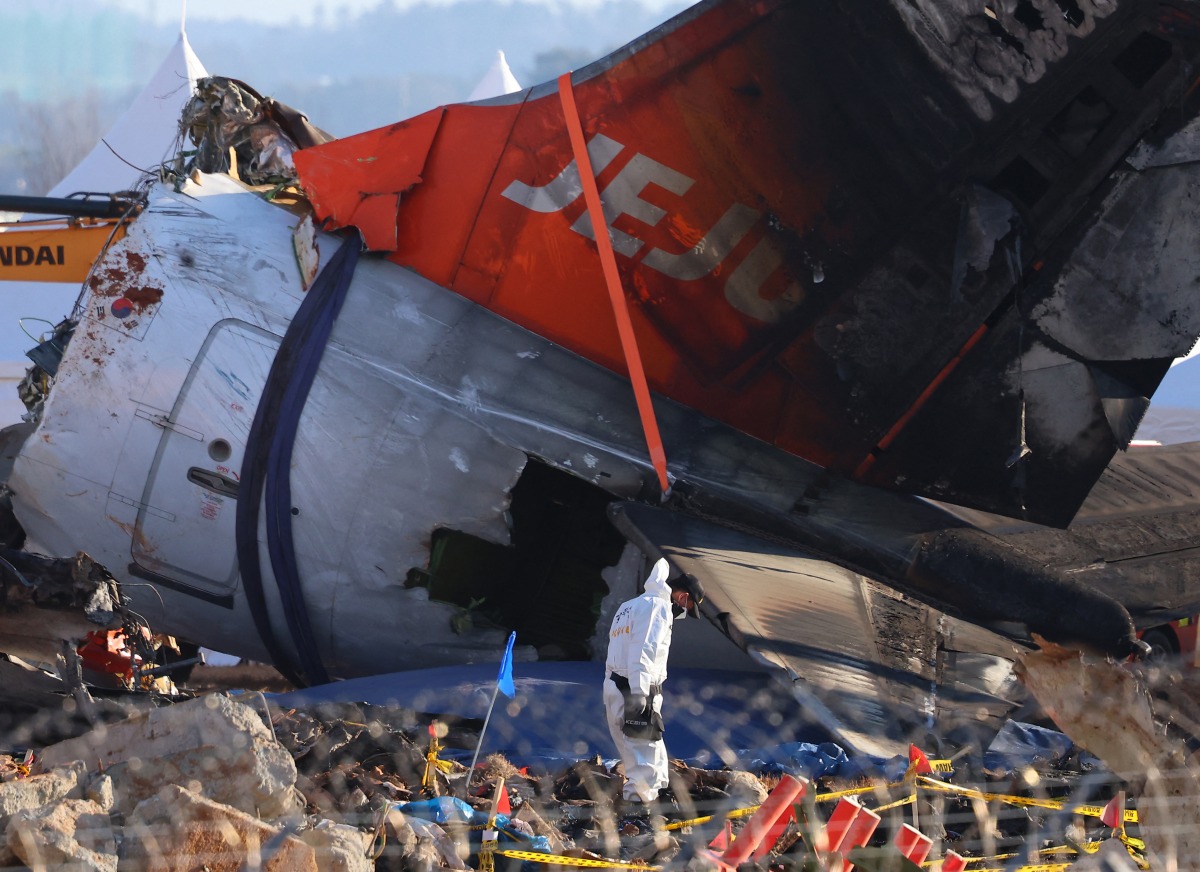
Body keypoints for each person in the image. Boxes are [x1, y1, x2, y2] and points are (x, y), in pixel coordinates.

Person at [603, 557, 704, 810]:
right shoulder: (657, 608)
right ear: (683, 596)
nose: (684, 611)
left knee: (640, 749)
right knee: (643, 751)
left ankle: (652, 793)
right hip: (637, 688)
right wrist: (640, 696)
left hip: (615, 684)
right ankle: (640, 806)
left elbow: (616, 648)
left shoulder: (630, 605)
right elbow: (644, 651)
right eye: (688, 606)